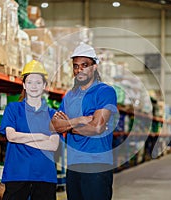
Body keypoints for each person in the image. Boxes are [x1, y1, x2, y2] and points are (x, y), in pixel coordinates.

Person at [50, 43, 118, 200]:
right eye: (76, 66)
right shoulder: (69, 97)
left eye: (85, 65)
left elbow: (97, 127)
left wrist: (68, 126)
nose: (79, 70)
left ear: (94, 67)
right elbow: (53, 126)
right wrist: (80, 121)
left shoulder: (105, 92)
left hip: (97, 165)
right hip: (73, 165)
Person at [0, 60, 60, 200]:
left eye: (38, 82)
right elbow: (11, 136)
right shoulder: (13, 109)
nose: (34, 86)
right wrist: (41, 136)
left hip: (44, 175)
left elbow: (53, 145)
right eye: (30, 82)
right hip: (17, 174)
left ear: (44, 85)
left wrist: (23, 138)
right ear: (24, 85)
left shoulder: (52, 114)